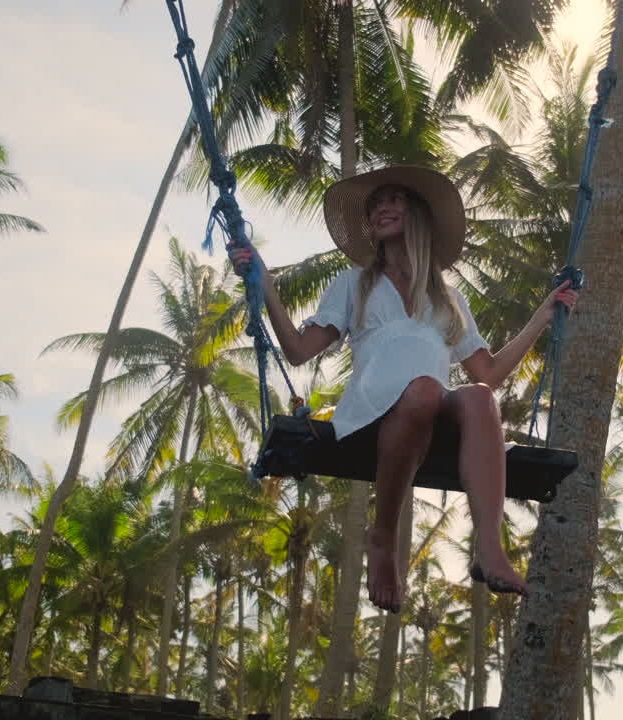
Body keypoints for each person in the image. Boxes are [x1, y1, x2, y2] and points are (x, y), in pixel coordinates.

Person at [230, 166, 578, 613]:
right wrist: (265, 285)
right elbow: (298, 350)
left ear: (417, 216)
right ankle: (383, 537)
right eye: (375, 205)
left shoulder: (449, 298)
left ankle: (489, 549)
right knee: (424, 390)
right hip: (372, 411)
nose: (381, 208)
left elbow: (487, 372)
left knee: (477, 396)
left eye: (394, 200)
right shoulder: (354, 283)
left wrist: (541, 318)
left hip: (433, 409)